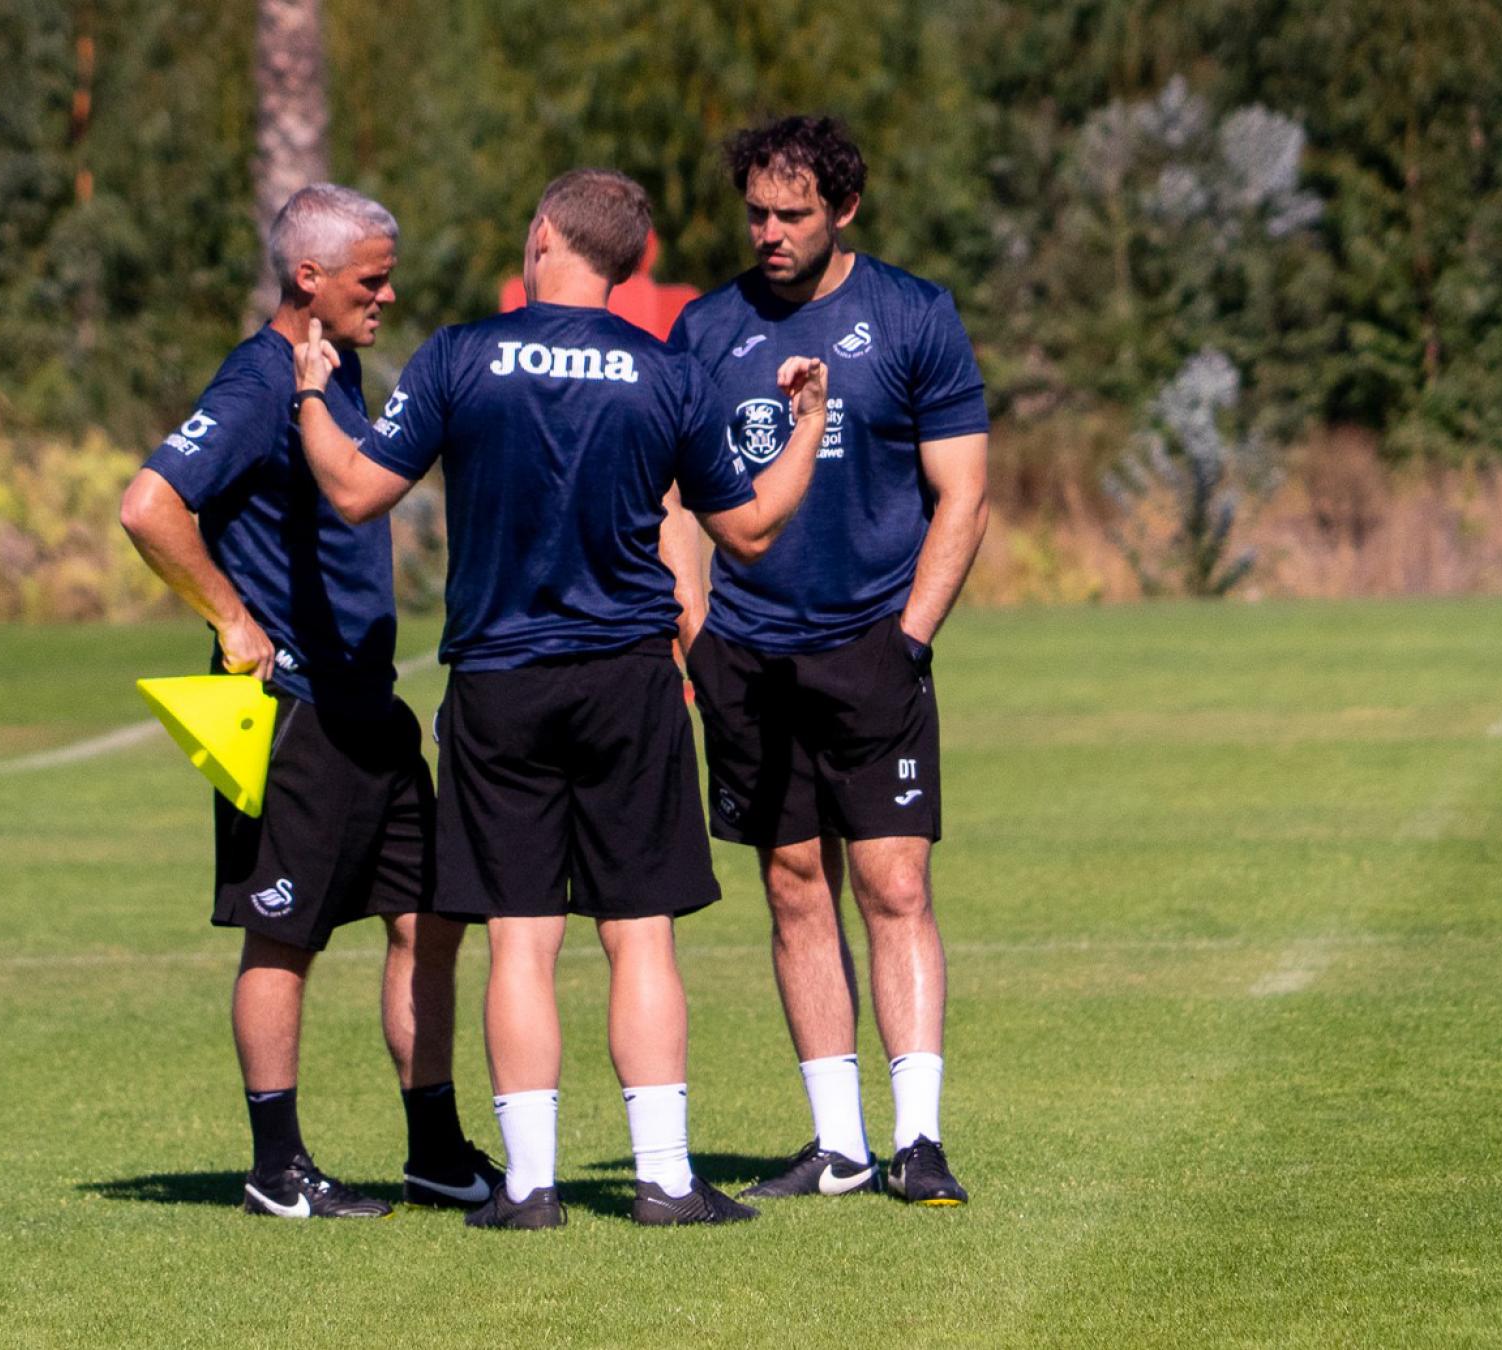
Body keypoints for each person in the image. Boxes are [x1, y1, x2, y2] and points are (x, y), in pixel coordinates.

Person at [288, 169, 829, 1229]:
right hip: (628, 680)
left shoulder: (459, 356)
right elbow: (751, 530)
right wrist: (806, 422)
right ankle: (665, 1179)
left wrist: (312, 389)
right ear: (631, 265)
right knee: (640, 933)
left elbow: (354, 491)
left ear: (542, 236)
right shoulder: (665, 371)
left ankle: (531, 1187)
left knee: (521, 936)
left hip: (498, 681)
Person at [118, 184, 498, 1220]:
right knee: (284, 933)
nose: (387, 293)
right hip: (290, 710)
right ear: (309, 279)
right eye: (372, 278)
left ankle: (435, 1152)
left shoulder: (340, 370)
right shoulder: (254, 382)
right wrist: (233, 620)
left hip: (367, 705)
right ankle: (277, 1167)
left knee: (427, 916)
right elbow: (148, 507)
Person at [664, 116, 993, 1206]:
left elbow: (964, 494)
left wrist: (911, 635)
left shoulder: (912, 314)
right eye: (756, 212)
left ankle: (920, 1140)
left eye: (792, 214)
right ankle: (839, 1145)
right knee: (793, 883)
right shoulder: (704, 330)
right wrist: (696, 629)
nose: (769, 232)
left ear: (842, 211)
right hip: (747, 655)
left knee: (893, 881)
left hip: (874, 647)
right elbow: (671, 497)